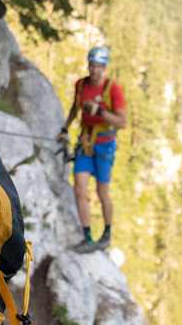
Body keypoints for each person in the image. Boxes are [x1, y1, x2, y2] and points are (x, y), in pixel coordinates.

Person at [57, 46, 127, 251]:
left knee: (102, 191)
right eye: (92, 65)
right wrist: (64, 128)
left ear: (104, 68)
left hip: (105, 144)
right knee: (79, 187)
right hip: (86, 143)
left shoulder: (112, 89)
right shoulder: (81, 85)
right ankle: (87, 236)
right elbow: (74, 108)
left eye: (99, 67)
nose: (94, 70)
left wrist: (100, 112)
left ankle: (106, 234)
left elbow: (122, 122)